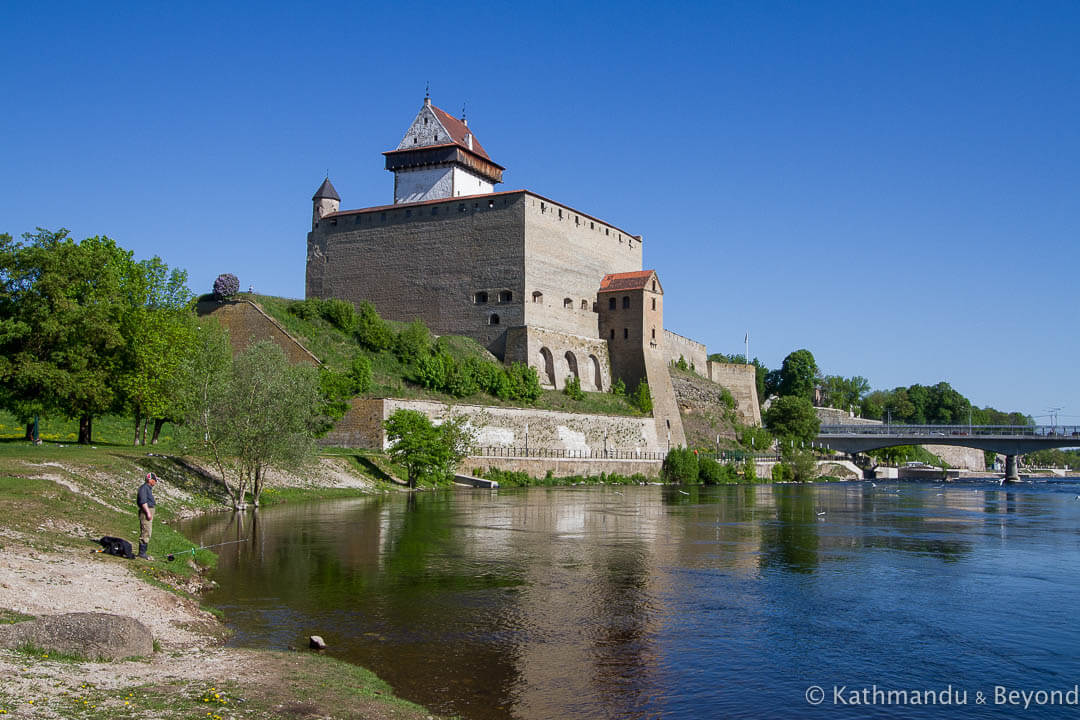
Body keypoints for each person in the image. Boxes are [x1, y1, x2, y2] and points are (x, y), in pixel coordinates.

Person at [136, 472, 158, 559]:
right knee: (146, 531)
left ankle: (143, 552)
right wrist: (148, 513)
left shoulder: (148, 488)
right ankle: (142, 553)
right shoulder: (144, 488)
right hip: (146, 512)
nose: (155, 482)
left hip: (148, 511)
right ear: (150, 480)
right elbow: (143, 502)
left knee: (148, 531)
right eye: (154, 480)